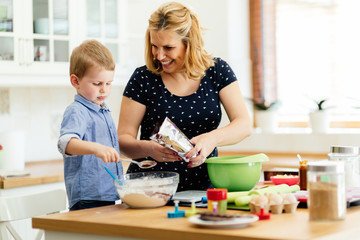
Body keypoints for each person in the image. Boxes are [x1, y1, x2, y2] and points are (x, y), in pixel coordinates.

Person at [117, 2, 251, 191]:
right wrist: (149, 149)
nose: (159, 55)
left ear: (189, 43)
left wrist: (212, 138)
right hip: (150, 190)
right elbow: (122, 140)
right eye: (154, 46)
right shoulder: (143, 78)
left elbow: (244, 125)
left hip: (204, 189)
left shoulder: (217, 71)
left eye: (168, 47)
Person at [58, 40, 123, 211]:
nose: (104, 90)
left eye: (108, 83)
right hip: (87, 197)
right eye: (97, 84)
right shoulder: (77, 111)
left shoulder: (103, 110)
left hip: (106, 193)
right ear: (76, 81)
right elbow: (66, 143)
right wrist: (96, 148)